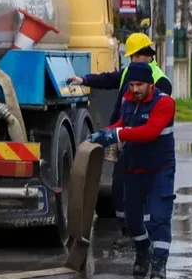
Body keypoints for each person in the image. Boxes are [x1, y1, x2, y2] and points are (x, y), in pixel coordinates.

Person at [67, 32, 172, 245]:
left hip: (148, 149)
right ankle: (129, 232)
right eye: (130, 56)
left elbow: (151, 127)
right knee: (119, 187)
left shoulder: (159, 81)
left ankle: (145, 242)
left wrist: (117, 133)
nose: (131, 60)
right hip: (125, 140)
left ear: (147, 55)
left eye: (135, 56)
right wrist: (84, 80)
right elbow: (110, 79)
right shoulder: (130, 74)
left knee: (147, 197)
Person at [88, 61, 176, 279]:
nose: (134, 89)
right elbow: (122, 122)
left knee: (159, 217)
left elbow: (150, 132)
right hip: (134, 169)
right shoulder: (128, 100)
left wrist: (116, 134)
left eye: (139, 85)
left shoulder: (164, 103)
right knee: (133, 220)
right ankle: (143, 251)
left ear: (150, 84)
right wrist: (105, 133)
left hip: (160, 170)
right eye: (131, 84)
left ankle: (159, 265)